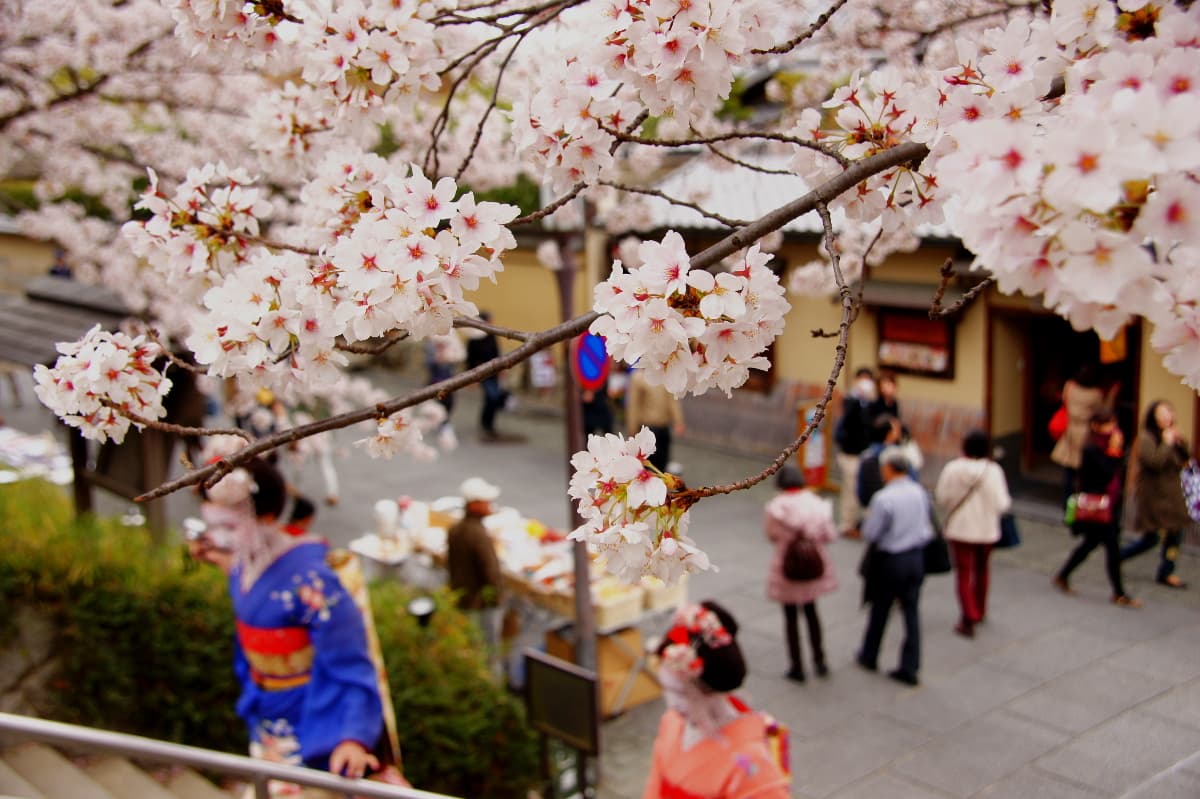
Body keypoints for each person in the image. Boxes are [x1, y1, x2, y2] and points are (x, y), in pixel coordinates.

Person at [191, 450, 385, 780]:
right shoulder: (243, 563)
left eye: (228, 525)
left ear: (267, 517)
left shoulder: (312, 580)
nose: (217, 536)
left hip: (312, 712)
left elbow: (351, 661)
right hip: (265, 706)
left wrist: (352, 736)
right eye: (212, 525)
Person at [643, 601, 791, 799]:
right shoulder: (671, 723)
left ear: (707, 690)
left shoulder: (749, 762)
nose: (672, 704)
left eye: (680, 694)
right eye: (668, 691)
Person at [856, 447, 934, 687]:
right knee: (911, 612)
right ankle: (910, 665)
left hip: (892, 560)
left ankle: (870, 654)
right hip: (916, 558)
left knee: (880, 608)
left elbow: (871, 532)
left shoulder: (884, 498)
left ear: (889, 470)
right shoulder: (920, 492)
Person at [1054, 409, 1141, 607]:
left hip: (1110, 505)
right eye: (1107, 425)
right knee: (1111, 548)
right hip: (1098, 507)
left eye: (1113, 423)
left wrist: (1115, 451)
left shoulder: (1109, 446)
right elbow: (1106, 473)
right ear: (1096, 426)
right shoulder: (1091, 449)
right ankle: (1119, 593)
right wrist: (1114, 451)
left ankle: (1063, 575)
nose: (1112, 429)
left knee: (1090, 544)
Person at [935, 430, 1012, 638]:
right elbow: (1003, 503)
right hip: (987, 530)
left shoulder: (953, 468)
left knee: (964, 573)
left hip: (960, 529)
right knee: (983, 570)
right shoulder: (993, 470)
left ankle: (969, 615)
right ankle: (980, 609)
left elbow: (941, 497)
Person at [764, 465, 836, 682]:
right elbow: (829, 535)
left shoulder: (776, 507)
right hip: (812, 564)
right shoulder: (817, 504)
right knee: (812, 612)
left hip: (787, 566)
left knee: (790, 617)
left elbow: (771, 535)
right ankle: (820, 661)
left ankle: (797, 666)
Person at [1121, 400, 1189, 589]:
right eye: (1162, 413)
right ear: (1154, 417)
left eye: (1169, 412)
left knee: (1176, 532)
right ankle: (1119, 556)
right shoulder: (1146, 438)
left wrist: (1179, 442)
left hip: (1173, 495)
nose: (1167, 417)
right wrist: (1166, 444)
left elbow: (1184, 459)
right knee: (1151, 538)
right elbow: (1154, 462)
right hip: (1154, 496)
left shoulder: (1172, 435)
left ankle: (1167, 571)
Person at [447, 476, 504, 670]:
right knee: (489, 651)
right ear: (474, 505)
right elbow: (491, 572)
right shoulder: (478, 535)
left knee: (471, 646)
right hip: (480, 604)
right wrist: (497, 599)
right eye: (486, 502)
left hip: (462, 599)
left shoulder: (455, 530)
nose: (490, 505)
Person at [1051, 365, 1115, 506]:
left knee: (1068, 469)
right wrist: (1112, 394)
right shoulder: (1095, 394)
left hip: (1070, 429)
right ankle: (1081, 504)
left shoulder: (1070, 387)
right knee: (1083, 471)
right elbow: (1103, 411)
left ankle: (1066, 501)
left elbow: (1064, 400)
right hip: (1085, 432)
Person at [835, 367, 877, 537]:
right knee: (851, 489)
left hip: (865, 452)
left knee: (865, 489)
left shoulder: (871, 402)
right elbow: (849, 421)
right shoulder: (851, 400)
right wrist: (854, 398)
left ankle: (861, 523)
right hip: (850, 453)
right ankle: (847, 524)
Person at [464, 312, 515, 442]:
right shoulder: (474, 338)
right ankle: (487, 423)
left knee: (492, 398)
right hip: (482, 373)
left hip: (494, 372)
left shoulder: (491, 336)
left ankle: (487, 422)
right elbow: (470, 359)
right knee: (492, 396)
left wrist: (502, 369)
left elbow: (496, 353)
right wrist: (471, 378)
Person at [626, 367, 685, 474]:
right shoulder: (638, 378)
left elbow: (672, 400)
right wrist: (632, 429)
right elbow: (634, 406)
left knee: (663, 462)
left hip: (663, 426)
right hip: (647, 428)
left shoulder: (665, 375)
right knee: (648, 464)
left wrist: (678, 421)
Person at [856, 413, 904, 511]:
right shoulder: (885, 456)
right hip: (882, 507)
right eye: (895, 430)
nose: (898, 433)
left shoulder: (869, 454)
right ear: (889, 433)